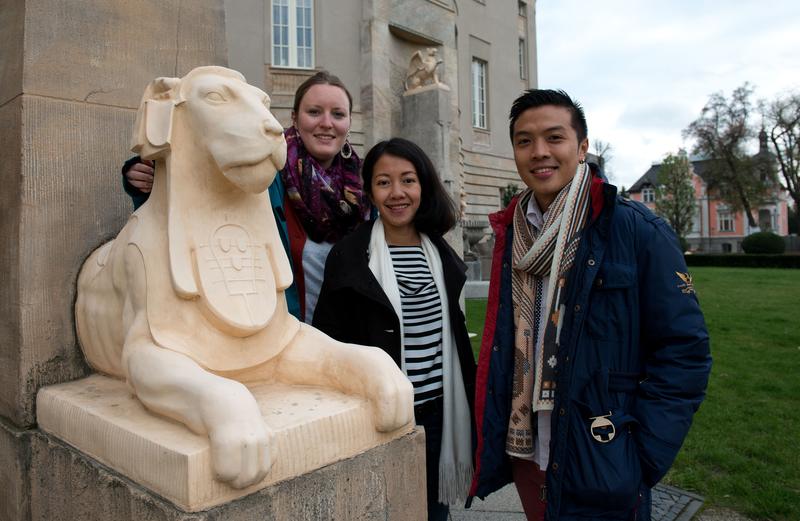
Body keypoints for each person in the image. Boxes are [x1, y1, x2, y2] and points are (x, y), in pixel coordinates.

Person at [467, 90, 712, 520]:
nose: (539, 152)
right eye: (524, 141)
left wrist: (639, 459)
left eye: (554, 138)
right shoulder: (515, 232)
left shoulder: (635, 230)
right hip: (529, 452)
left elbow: (684, 352)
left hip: (601, 455)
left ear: (582, 147)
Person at [312, 138, 477, 521]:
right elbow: (327, 344)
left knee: (433, 511)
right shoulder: (350, 256)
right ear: (370, 190)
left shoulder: (441, 253)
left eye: (408, 180)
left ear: (423, 187)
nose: (397, 193)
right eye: (384, 182)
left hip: (438, 412)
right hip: (378, 413)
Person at [121, 71, 369, 323]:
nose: (326, 123)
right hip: (284, 329)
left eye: (338, 114)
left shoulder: (365, 188)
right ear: (294, 118)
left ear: (349, 122)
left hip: (347, 334)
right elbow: (193, 192)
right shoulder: (261, 173)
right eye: (314, 112)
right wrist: (149, 179)